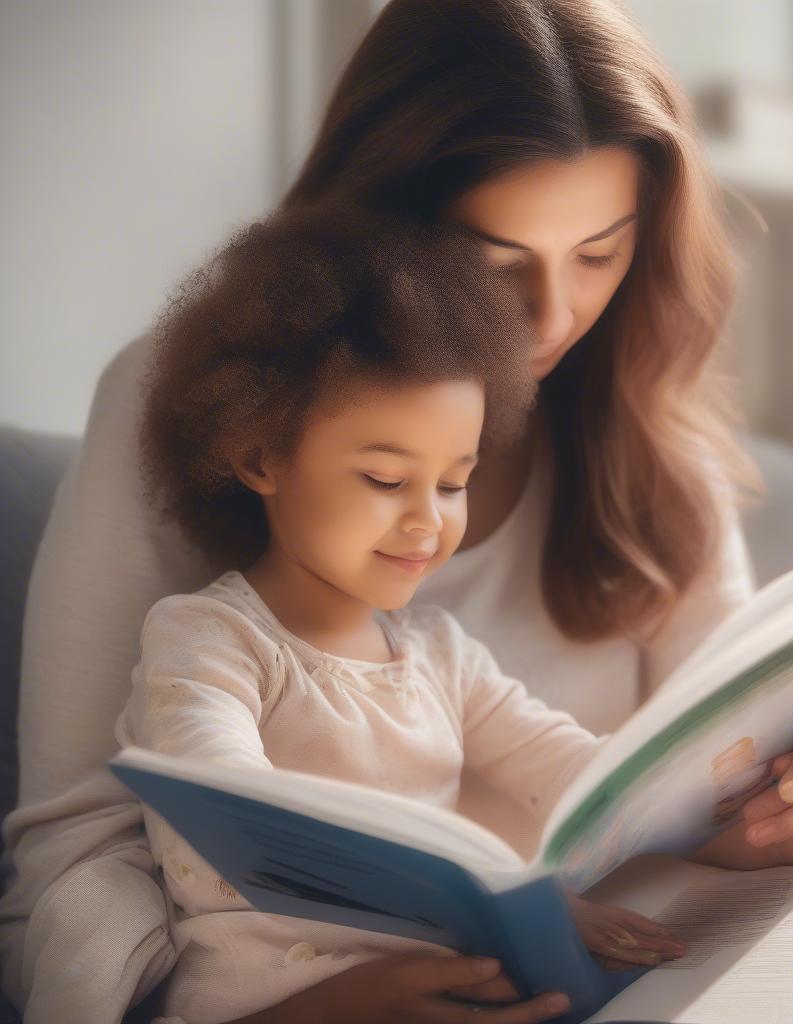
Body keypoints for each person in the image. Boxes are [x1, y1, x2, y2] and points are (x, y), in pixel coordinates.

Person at [0, 2, 793, 1022]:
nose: (553, 319)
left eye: (599, 253)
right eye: (497, 261)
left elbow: (661, 799)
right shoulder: (189, 417)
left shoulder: (661, 461)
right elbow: (75, 864)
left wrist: (772, 811)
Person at [115, 207, 690, 1023]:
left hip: (456, 976)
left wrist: (712, 785)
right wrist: (496, 906)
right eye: (387, 481)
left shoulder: (441, 655)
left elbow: (572, 767)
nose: (429, 521)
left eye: (453, 482)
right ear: (260, 456)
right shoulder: (209, 639)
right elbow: (227, 817)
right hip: (278, 1003)